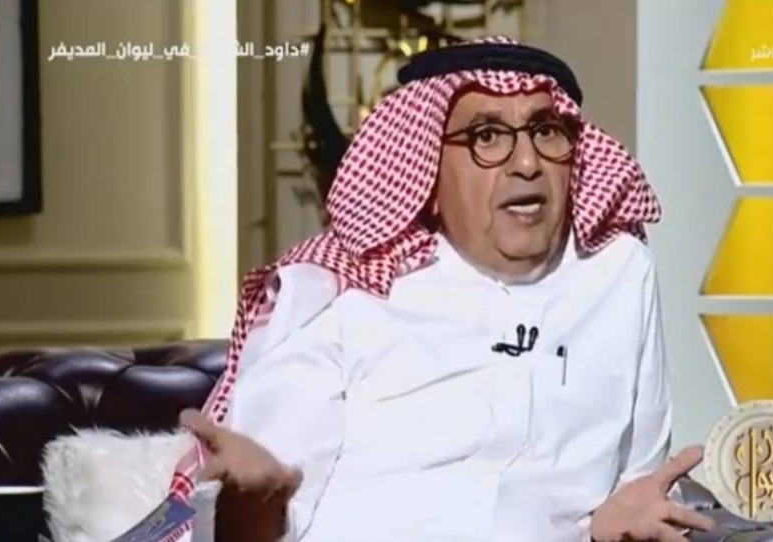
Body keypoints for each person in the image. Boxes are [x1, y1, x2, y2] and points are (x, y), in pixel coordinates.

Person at [175, 36, 715, 542]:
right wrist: (248, 503)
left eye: (547, 130)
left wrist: (611, 526)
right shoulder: (340, 293)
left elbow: (639, 476)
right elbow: (265, 506)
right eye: (486, 137)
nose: (527, 163)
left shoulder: (618, 272)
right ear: (428, 174)